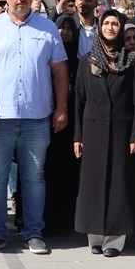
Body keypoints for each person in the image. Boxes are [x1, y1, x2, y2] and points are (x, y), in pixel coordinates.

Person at [0, 0, 69, 255]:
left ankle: (33, 232)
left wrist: (62, 108)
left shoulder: (48, 28)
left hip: (37, 117)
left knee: (34, 177)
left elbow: (60, 70)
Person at [73, 10, 135, 256]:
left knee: (119, 184)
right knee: (92, 185)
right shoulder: (87, 61)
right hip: (93, 132)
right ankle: (94, 236)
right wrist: (78, 136)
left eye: (115, 23)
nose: (110, 27)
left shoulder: (133, 60)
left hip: (121, 131)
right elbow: (79, 102)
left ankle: (114, 240)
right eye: (106, 22)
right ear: (100, 27)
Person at [43, 16, 81, 239]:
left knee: (67, 174)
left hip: (71, 124)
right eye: (61, 28)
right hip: (47, 120)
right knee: (47, 173)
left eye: (69, 29)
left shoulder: (78, 59)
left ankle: (67, 221)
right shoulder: (47, 56)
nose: (65, 32)